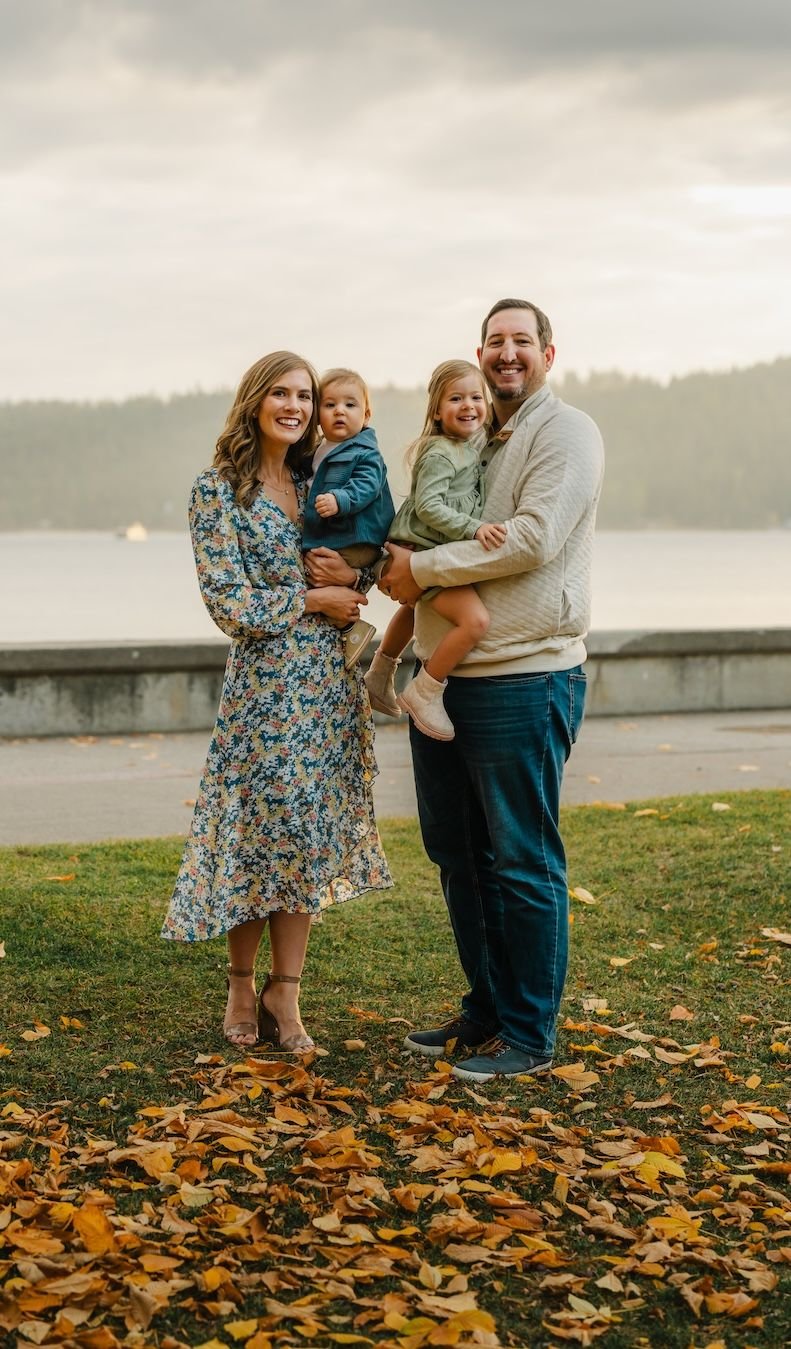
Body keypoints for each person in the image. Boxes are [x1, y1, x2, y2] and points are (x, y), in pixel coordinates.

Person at [380, 299, 604, 1083]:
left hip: (524, 676)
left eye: (521, 341)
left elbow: (534, 538)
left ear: (547, 353)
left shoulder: (565, 432)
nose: (507, 353)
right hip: (444, 681)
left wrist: (419, 569)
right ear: (479, 354)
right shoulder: (474, 438)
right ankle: (487, 1007)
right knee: (457, 856)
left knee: (520, 858)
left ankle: (528, 1035)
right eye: (494, 342)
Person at [161, 351, 392, 1051]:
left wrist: (354, 575)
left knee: (305, 835)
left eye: (306, 396)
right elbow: (228, 604)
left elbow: (370, 554)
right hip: (263, 693)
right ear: (256, 400)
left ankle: (284, 994)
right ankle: (240, 984)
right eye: (282, 393)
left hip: (328, 687)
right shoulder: (217, 490)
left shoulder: (323, 477)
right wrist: (313, 599)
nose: (296, 406)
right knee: (255, 835)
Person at [364, 360, 507, 740]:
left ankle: (380, 672)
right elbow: (428, 506)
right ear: (438, 411)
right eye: (456, 399)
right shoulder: (441, 453)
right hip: (418, 547)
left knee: (414, 608)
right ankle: (426, 690)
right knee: (475, 622)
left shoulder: (464, 446)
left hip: (422, 547)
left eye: (476, 398)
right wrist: (473, 528)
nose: (468, 405)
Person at [302, 368, 394, 668]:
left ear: (365, 415)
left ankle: (351, 627)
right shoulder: (318, 450)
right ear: (317, 415)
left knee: (317, 576)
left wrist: (340, 500)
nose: (339, 411)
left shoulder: (365, 452)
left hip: (356, 539)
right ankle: (350, 629)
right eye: (330, 405)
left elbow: (367, 485)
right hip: (338, 536)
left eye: (350, 405)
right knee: (318, 577)